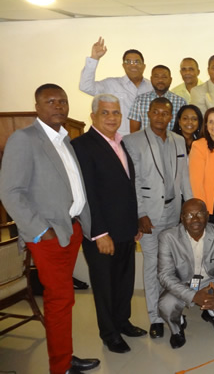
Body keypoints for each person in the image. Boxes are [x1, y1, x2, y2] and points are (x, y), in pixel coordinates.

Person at [0, 84, 99, 374]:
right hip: (49, 235)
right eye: (51, 101)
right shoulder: (24, 139)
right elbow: (10, 192)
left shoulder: (65, 139)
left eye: (63, 101)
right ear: (37, 107)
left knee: (63, 299)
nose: (59, 106)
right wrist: (42, 231)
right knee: (59, 300)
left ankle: (65, 356)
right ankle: (60, 366)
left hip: (72, 229)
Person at [71, 94, 145, 354]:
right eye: (105, 113)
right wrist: (99, 232)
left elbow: (127, 188)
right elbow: (87, 194)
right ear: (93, 116)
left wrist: (134, 222)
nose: (112, 117)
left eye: (115, 113)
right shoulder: (82, 145)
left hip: (125, 228)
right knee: (104, 285)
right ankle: (109, 333)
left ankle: (122, 322)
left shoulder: (120, 143)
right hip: (102, 232)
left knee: (124, 281)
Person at [124, 97, 193, 339]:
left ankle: (173, 309)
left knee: (173, 265)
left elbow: (184, 177)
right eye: (156, 112)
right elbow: (134, 183)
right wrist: (140, 214)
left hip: (175, 213)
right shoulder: (131, 141)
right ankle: (155, 317)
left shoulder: (178, 140)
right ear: (148, 114)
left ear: (171, 116)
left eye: (166, 112)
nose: (161, 116)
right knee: (153, 266)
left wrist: (190, 208)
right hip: (150, 216)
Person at [157, 199, 214, 349]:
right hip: (183, 283)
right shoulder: (168, 237)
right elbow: (165, 275)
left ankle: (213, 315)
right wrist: (193, 296)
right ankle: (177, 329)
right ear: (181, 218)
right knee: (166, 304)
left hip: (210, 283)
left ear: (208, 216)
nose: (195, 219)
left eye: (200, 214)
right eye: (189, 215)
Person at [79, 37, 152, 136]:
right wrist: (94, 58)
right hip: (119, 141)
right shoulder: (111, 84)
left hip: (146, 141)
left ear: (144, 66)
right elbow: (85, 87)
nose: (133, 65)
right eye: (128, 62)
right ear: (123, 66)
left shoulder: (152, 87)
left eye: (137, 62)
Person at [128, 65, 187, 133]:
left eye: (164, 77)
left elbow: (183, 130)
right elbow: (134, 132)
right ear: (151, 79)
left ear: (171, 80)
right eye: (156, 76)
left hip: (171, 142)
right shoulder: (140, 100)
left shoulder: (180, 102)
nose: (160, 80)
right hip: (144, 143)